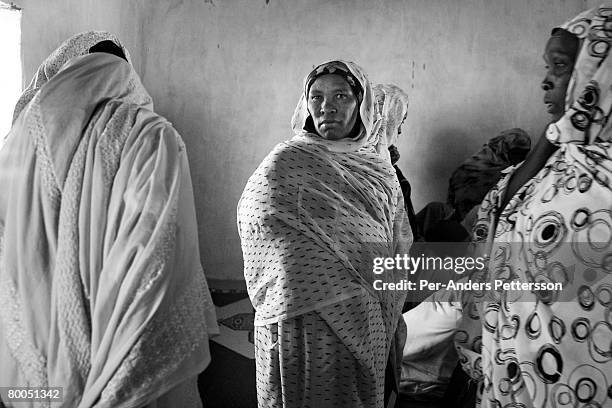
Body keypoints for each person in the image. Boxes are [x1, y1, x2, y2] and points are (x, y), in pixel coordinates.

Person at [405, 6, 612, 407]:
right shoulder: (559, 161)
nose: (545, 79)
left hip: (576, 379)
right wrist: (555, 134)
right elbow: (500, 216)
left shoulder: (599, 182)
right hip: (510, 366)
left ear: (599, 75)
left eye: (562, 65)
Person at [0, 32, 218, 408]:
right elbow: (155, 255)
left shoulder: (16, 143)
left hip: (27, 353)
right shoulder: (149, 135)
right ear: (127, 75)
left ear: (59, 68)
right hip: (112, 346)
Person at [238, 60, 412, 408]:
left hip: (359, 318)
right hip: (294, 313)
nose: (326, 106)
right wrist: (314, 267)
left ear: (361, 105)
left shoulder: (378, 171)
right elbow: (254, 223)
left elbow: (396, 244)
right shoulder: (286, 161)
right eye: (316, 96)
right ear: (305, 103)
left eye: (341, 96)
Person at [372, 83, 420, 240]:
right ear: (387, 120)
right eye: (399, 120)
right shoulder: (381, 170)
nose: (400, 130)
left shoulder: (389, 161)